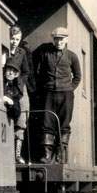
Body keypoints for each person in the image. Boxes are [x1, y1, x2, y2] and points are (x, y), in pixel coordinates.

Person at [33, 26, 81, 163]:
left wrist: (69, 88)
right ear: (53, 40)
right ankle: (47, 155)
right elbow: (35, 68)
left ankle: (61, 154)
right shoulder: (45, 53)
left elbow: (77, 76)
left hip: (66, 95)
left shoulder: (72, 56)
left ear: (66, 40)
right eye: (56, 39)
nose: (59, 42)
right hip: (49, 94)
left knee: (64, 124)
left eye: (61, 39)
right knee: (47, 122)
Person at [2, 60, 27, 163]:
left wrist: (10, 102)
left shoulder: (17, 88)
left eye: (14, 71)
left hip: (11, 113)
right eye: (9, 70)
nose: (11, 73)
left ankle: (17, 155)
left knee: (20, 127)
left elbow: (17, 110)